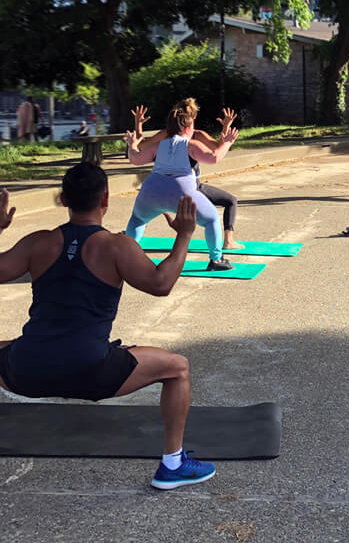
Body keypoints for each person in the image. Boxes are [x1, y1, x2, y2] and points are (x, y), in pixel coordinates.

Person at [0, 166, 217, 489]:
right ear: (105, 199)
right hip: (93, 372)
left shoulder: (37, 243)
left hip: (26, 370)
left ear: (63, 199)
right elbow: (161, 284)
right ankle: (173, 464)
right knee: (178, 369)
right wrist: (184, 235)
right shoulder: (117, 246)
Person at [125, 103, 239, 270]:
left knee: (137, 220)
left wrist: (132, 145)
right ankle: (216, 259)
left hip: (151, 191)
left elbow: (135, 159)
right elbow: (214, 157)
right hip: (181, 193)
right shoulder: (189, 145)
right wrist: (227, 142)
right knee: (211, 219)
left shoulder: (159, 145)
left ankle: (126, 256)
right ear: (187, 128)